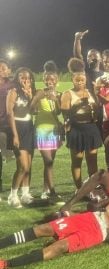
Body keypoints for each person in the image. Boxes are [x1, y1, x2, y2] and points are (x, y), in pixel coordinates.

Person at [0, 180, 109, 269]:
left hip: (100, 233)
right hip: (93, 218)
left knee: (59, 247)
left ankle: (6, 264)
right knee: (44, 229)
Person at [61, 58, 102, 189]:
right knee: (77, 161)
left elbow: (97, 108)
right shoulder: (68, 94)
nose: (80, 82)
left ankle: (92, 187)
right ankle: (79, 189)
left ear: (85, 81)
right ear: (72, 80)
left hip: (90, 128)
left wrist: (96, 101)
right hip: (77, 129)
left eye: (82, 80)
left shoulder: (90, 92)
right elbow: (65, 114)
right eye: (77, 80)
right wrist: (78, 105)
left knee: (92, 160)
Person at [30, 61, 63, 202]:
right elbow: (31, 110)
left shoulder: (59, 94)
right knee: (48, 161)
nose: (50, 81)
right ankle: (53, 192)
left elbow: (59, 112)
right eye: (48, 79)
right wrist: (37, 98)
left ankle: (45, 190)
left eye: (53, 79)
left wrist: (56, 100)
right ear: (44, 80)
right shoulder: (39, 92)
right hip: (42, 130)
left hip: (54, 131)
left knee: (50, 163)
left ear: (57, 81)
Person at [6, 67, 36, 207]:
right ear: (17, 78)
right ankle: (12, 196)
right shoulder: (13, 92)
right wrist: (15, 135)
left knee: (28, 166)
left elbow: (33, 111)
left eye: (28, 78)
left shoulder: (29, 92)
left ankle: (25, 194)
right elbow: (9, 113)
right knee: (22, 166)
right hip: (17, 128)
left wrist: (30, 96)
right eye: (23, 77)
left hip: (29, 127)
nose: (26, 80)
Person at [0, 59, 13, 193]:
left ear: (9, 70)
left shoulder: (13, 85)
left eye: (3, 68)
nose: (1, 70)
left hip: (9, 124)